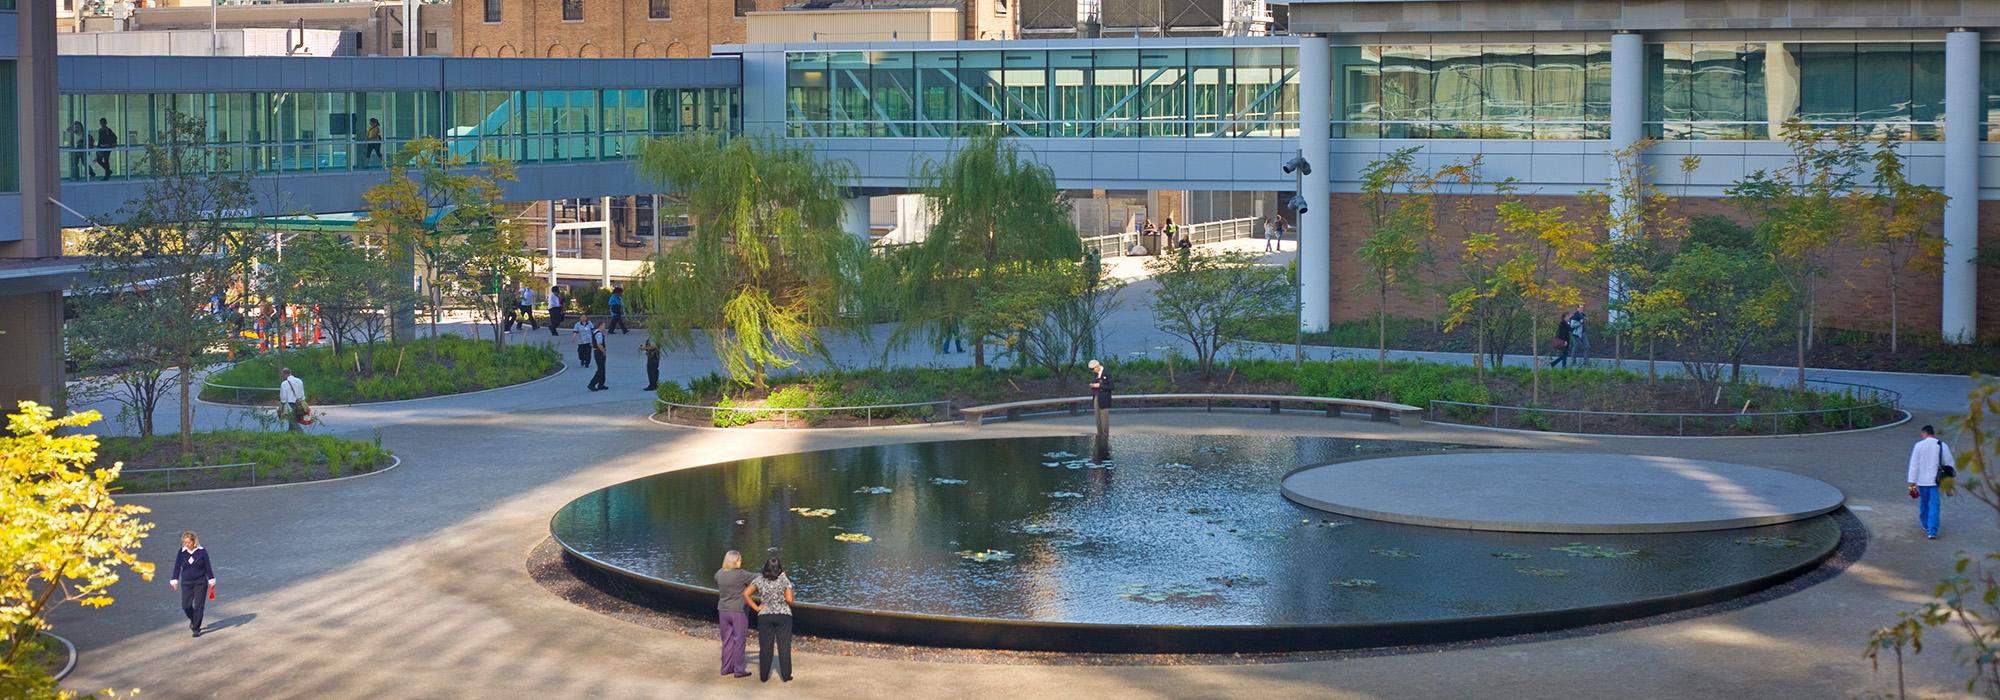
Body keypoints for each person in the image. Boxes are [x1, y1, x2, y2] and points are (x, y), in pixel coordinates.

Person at [743, 556, 794, 683]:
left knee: (765, 646)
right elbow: (790, 600)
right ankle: (786, 675)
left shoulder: (759, 580)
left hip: (765, 615)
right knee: (784, 646)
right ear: (779, 568)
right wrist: (786, 578)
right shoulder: (784, 580)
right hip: (783, 615)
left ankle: (764, 676)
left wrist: (756, 608)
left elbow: (745, 594)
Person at [1907, 425, 1957, 540]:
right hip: (1936, 481)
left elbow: (1914, 465)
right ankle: (1932, 530)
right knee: (1935, 505)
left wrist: (1911, 483)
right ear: (1933, 433)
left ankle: (1925, 524)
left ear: (1924, 433)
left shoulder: (1918, 446)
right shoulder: (1942, 445)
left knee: (1924, 503)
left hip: (1922, 481)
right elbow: (1950, 464)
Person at [714, 551, 756, 678]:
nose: (741, 562)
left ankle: (726, 668)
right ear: (735, 561)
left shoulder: (719, 573)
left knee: (726, 640)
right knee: (739, 641)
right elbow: (758, 577)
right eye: (739, 560)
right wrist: (775, 573)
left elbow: (716, 577)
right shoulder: (741, 574)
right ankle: (739, 670)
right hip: (738, 611)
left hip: (723, 610)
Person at [170, 531, 216, 637]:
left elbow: (208, 566)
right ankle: (194, 620)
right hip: (186, 583)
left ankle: (196, 628)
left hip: (200, 582)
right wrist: (174, 580)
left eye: (188, 542)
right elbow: (177, 567)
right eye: (184, 542)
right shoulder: (181, 552)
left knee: (199, 606)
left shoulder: (202, 551)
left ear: (194, 541)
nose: (186, 544)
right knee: (186, 605)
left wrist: (211, 580)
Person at [278, 367, 306, 432]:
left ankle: (302, 433)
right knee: (294, 419)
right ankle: (290, 432)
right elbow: (302, 393)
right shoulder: (299, 381)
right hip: (299, 403)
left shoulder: (284, 383)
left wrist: (282, 404)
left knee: (292, 420)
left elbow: (283, 397)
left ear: (284, 374)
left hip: (289, 403)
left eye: (282, 375)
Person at [586, 323, 609, 391]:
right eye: (604, 326)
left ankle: (601, 384)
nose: (605, 327)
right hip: (599, 352)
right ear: (600, 326)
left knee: (602, 369)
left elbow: (591, 342)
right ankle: (592, 384)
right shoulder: (599, 334)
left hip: (597, 351)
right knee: (600, 369)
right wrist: (603, 351)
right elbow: (599, 344)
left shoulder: (595, 332)